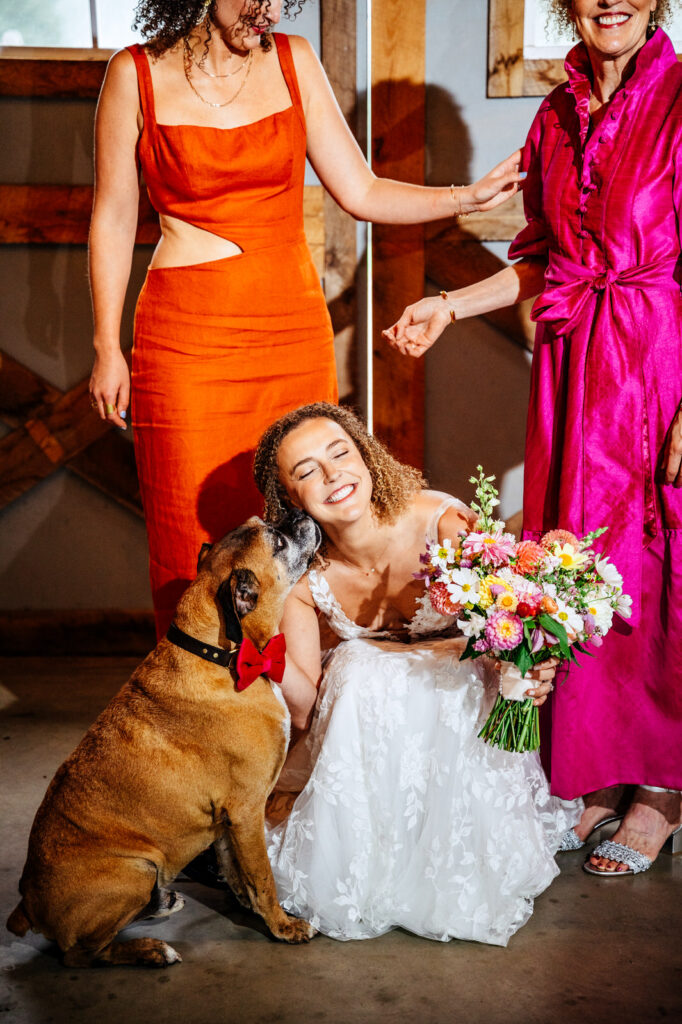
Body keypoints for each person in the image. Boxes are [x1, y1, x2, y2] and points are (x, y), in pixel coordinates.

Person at [87, 0, 523, 638]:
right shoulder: (136, 73)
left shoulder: (294, 61)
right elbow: (114, 217)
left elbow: (363, 191)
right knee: (193, 534)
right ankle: (203, 720)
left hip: (290, 331)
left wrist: (468, 196)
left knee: (304, 526)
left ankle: (299, 711)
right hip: (187, 338)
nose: (265, 8)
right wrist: (106, 344)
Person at [384, 0, 682, 875]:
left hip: (658, 362)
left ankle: (659, 785)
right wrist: (447, 303)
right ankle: (597, 769)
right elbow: (543, 258)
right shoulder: (557, 112)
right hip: (570, 370)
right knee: (580, 560)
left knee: (660, 563)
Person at [252, 403, 579, 945]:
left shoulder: (443, 524)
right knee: (356, 672)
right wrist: (263, 647)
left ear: (366, 456)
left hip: (462, 693)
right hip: (374, 716)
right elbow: (306, 706)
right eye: (307, 470)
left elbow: (512, 617)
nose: (333, 475)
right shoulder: (305, 581)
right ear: (288, 496)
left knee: (431, 675)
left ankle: (453, 851)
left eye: (341, 453)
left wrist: (528, 665)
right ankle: (373, 854)